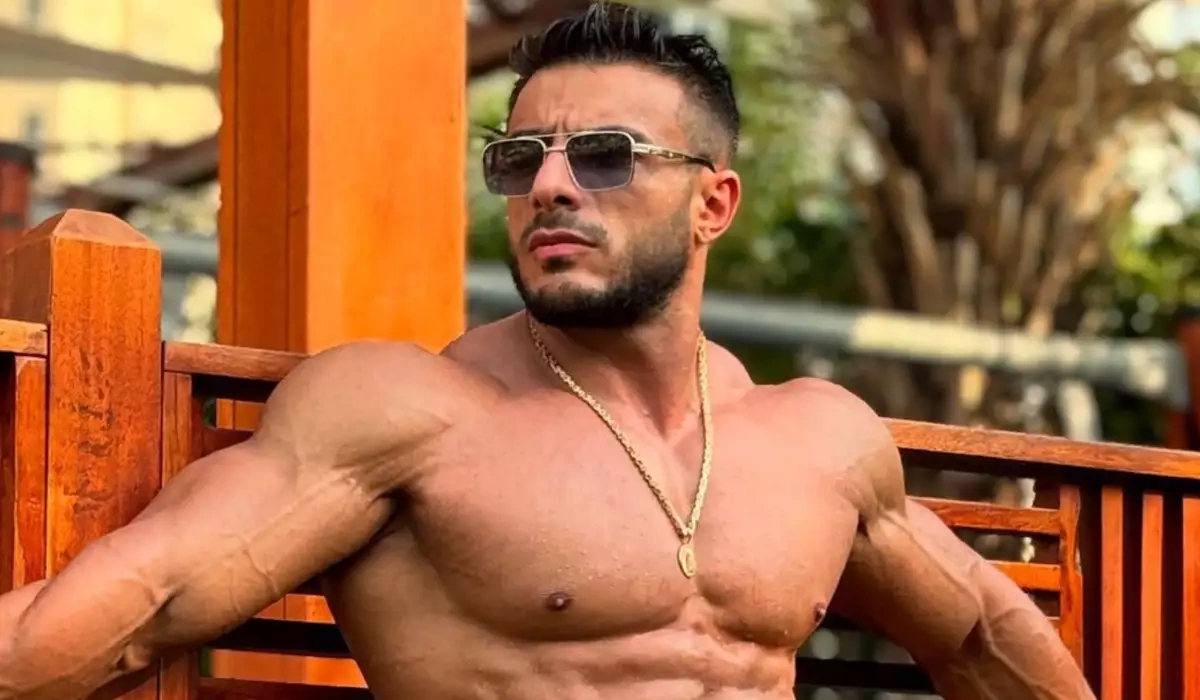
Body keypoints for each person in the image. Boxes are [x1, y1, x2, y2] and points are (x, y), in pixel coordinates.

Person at [0, 3, 1093, 699]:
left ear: (713, 204)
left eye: (607, 155)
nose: (553, 186)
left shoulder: (819, 441)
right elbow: (132, 609)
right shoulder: (408, 414)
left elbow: (984, 634)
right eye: (520, 159)